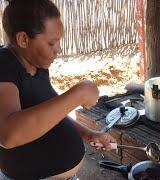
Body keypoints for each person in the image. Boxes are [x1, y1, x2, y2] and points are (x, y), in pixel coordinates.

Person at [0, 0, 116, 179]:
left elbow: (53, 110)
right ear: (23, 39)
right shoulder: (4, 66)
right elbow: (8, 135)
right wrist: (79, 93)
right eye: (52, 43)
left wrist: (88, 133)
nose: (59, 49)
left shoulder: (37, 65)